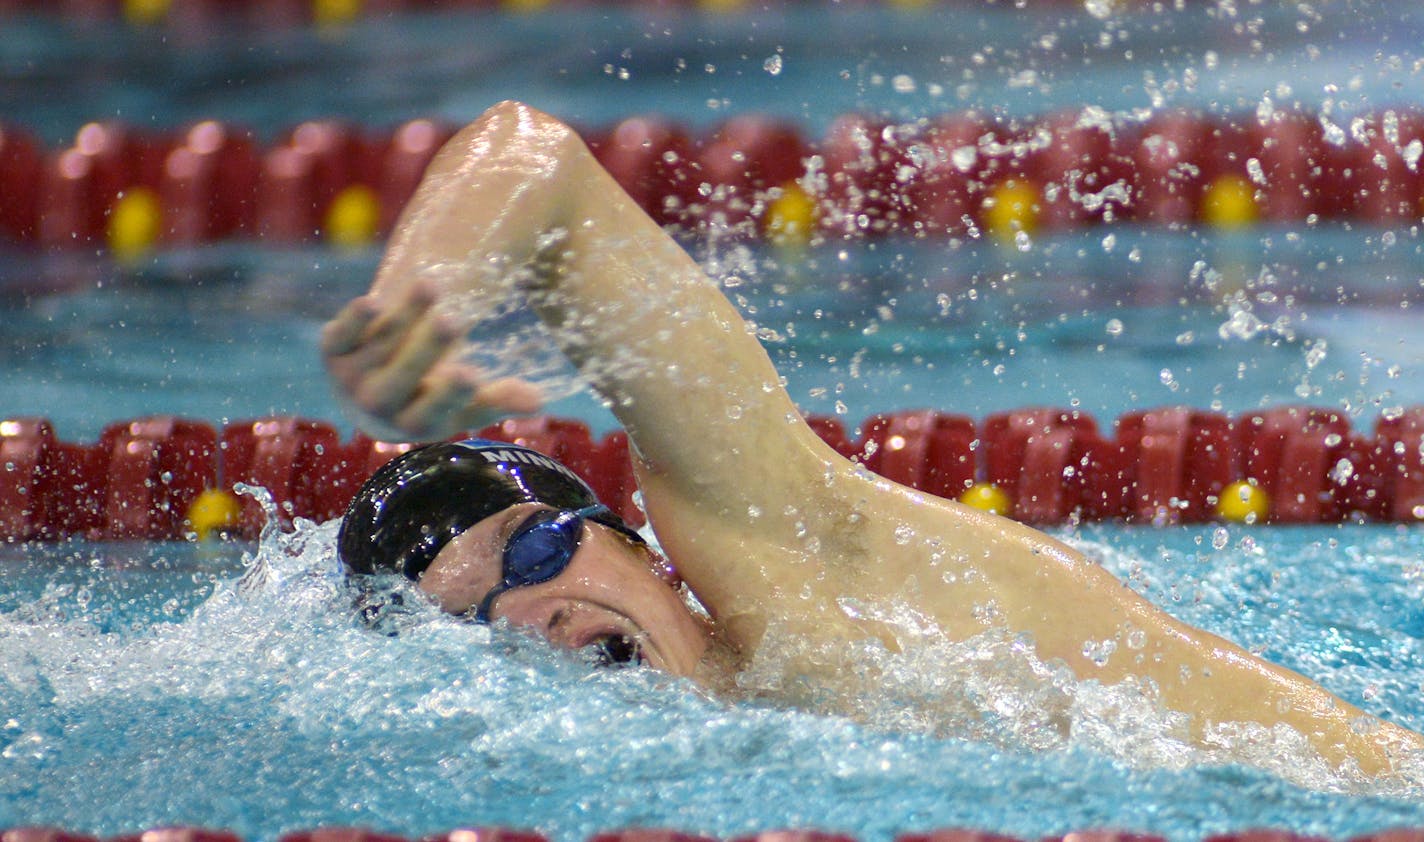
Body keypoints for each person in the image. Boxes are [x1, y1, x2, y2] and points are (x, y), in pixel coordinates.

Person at [323, 100, 1424, 779]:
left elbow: (539, 163)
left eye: (531, 550)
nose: (531, 612)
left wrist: (414, 297)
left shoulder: (805, 573)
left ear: (635, 539)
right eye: (468, 620)